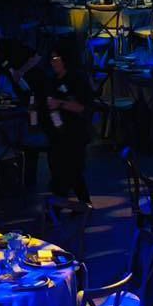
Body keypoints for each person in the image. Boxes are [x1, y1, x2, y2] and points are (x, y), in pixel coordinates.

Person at [42, 42, 95, 205]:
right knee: (64, 171)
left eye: (56, 58)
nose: (53, 62)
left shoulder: (77, 79)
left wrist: (60, 103)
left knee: (69, 171)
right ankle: (84, 203)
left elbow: (82, 107)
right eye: (51, 59)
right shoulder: (52, 80)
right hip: (57, 133)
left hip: (75, 132)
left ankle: (58, 207)